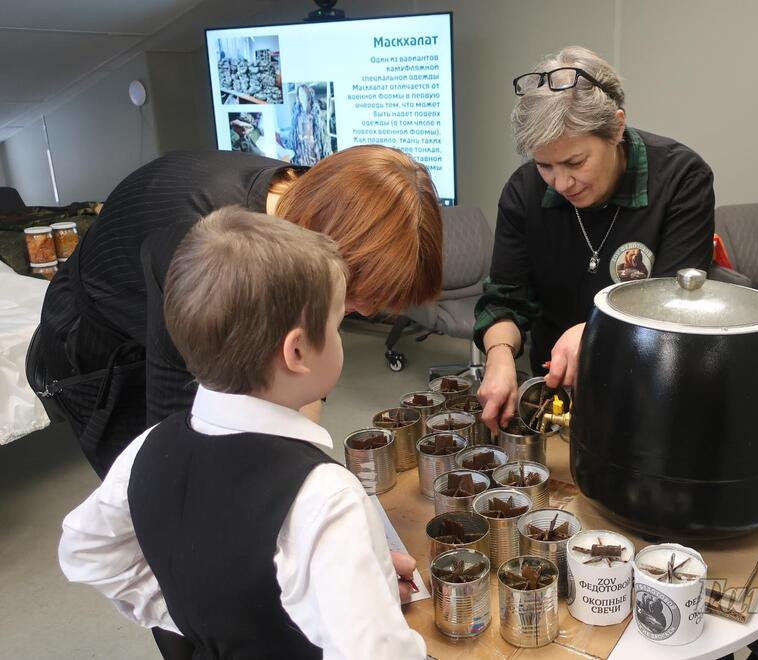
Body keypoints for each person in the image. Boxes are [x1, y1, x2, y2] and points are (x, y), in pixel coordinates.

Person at [59, 207, 427, 659]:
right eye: (336, 326)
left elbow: (85, 549)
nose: (341, 338)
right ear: (297, 351)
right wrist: (369, 597)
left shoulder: (145, 448)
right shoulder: (326, 495)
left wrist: (190, 616)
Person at [36, 145, 442, 479]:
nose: (365, 313)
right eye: (356, 295)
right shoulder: (204, 249)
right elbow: (174, 447)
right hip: (102, 348)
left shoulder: (313, 208)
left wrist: (305, 474)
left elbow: (301, 380)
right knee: (161, 492)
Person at [474, 47, 715, 431]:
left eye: (575, 162)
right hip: (555, 385)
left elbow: (675, 304)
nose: (561, 183)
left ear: (616, 128)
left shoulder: (680, 179)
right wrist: (500, 356)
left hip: (650, 382)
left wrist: (596, 331)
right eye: (544, 165)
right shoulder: (524, 192)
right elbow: (505, 299)